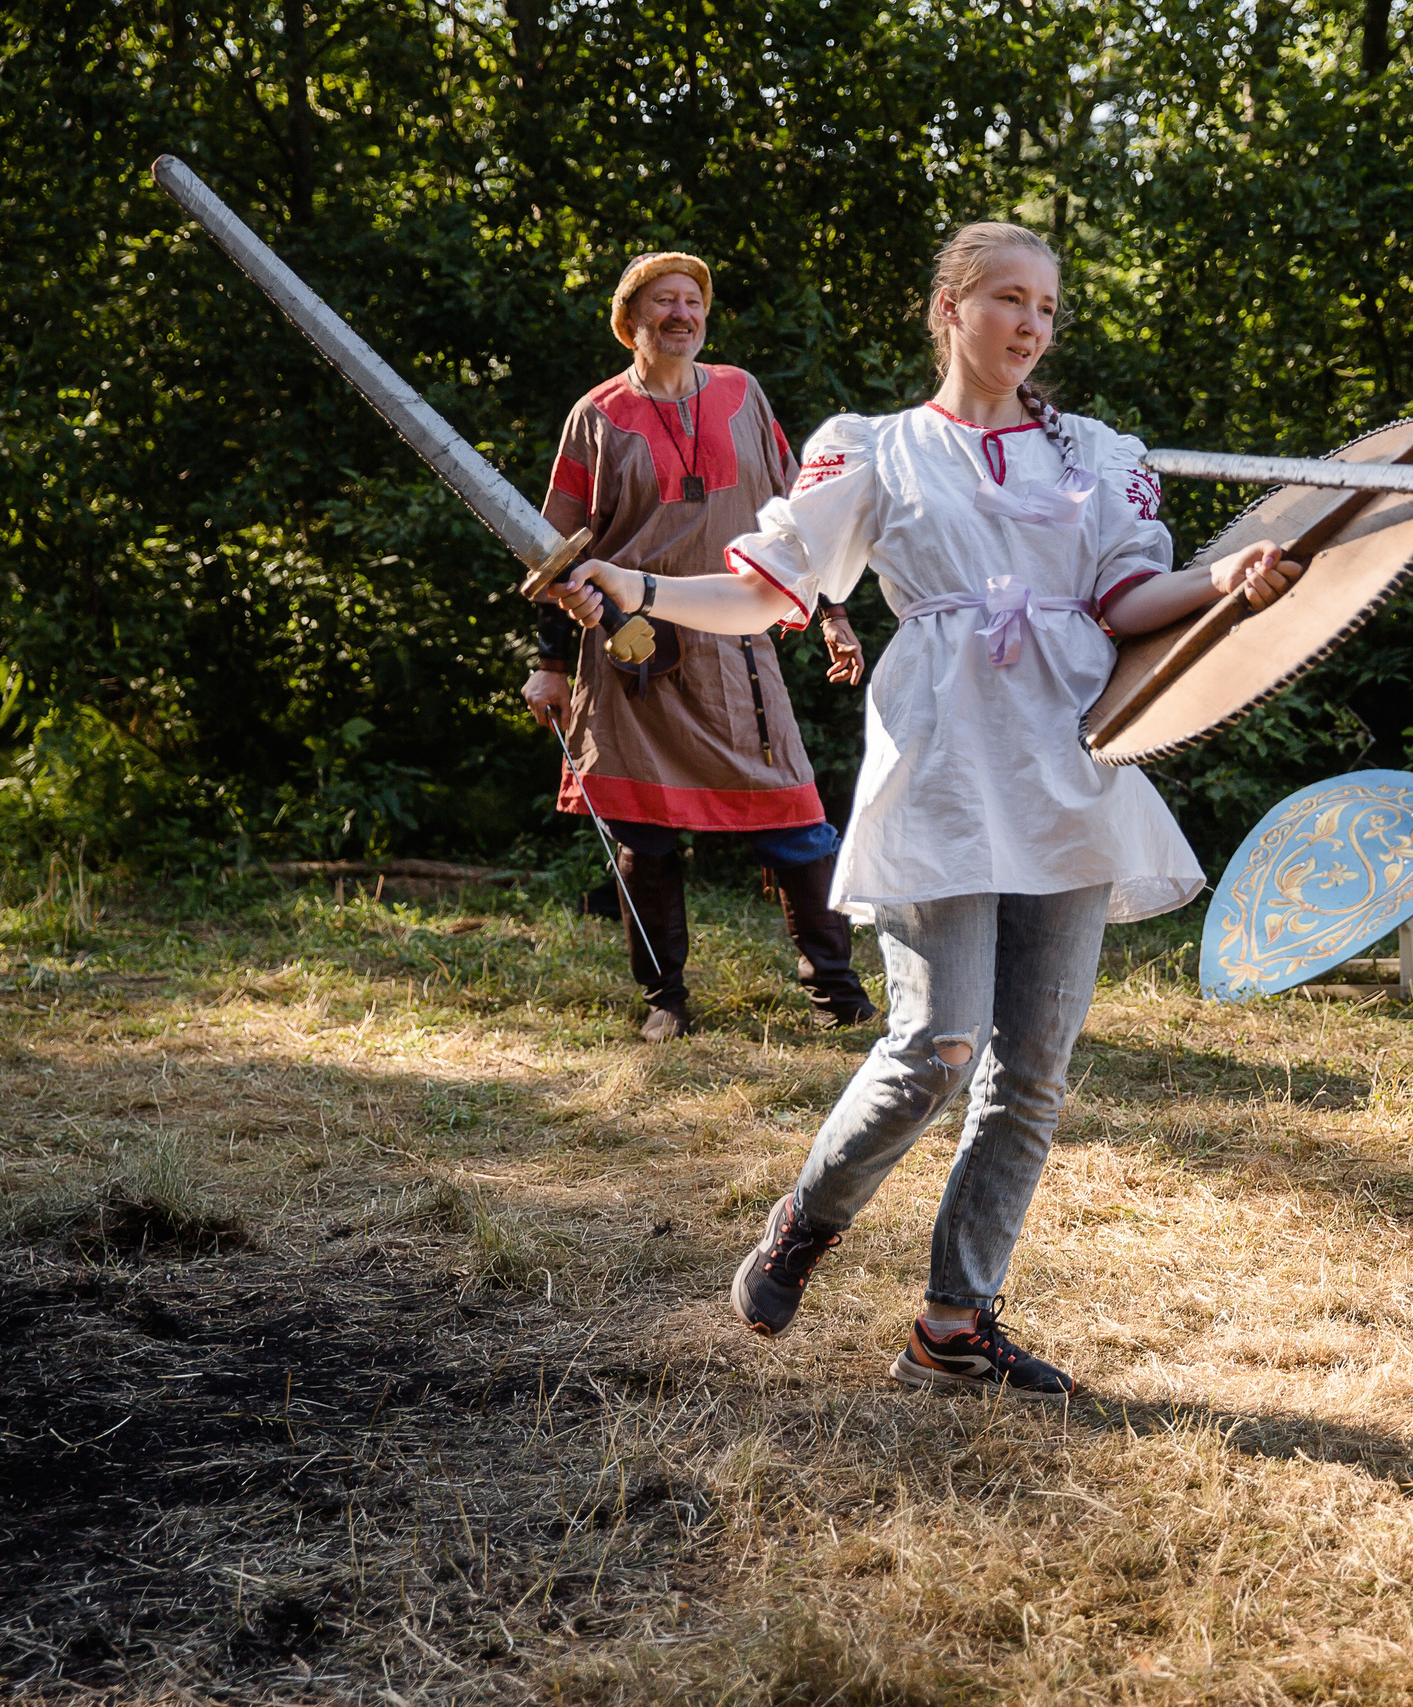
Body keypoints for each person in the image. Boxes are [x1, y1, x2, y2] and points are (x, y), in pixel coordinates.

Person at [555, 221, 1303, 1399]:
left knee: (1034, 1071)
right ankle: (807, 1219)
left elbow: (1125, 598)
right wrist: (637, 582)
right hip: (945, 765)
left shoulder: (1094, 457)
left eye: (1047, 309)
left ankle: (954, 1327)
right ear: (947, 308)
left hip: (1068, 767)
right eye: (1008, 299)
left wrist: (1227, 579)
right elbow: (766, 591)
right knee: (936, 1046)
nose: (1031, 325)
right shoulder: (877, 452)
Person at [527, 251, 878, 1042]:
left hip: (736, 640)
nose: (681, 314)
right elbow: (556, 551)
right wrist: (550, 664)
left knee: (796, 818)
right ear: (631, 321)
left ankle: (837, 995)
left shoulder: (741, 393)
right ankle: (666, 1001)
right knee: (642, 836)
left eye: (693, 301)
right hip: (629, 651)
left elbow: (804, 509)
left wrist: (832, 612)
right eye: (663, 302)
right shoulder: (597, 415)